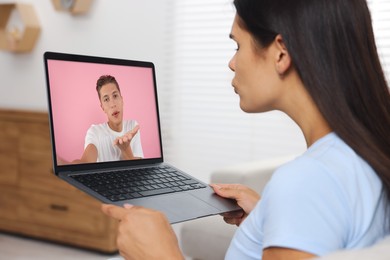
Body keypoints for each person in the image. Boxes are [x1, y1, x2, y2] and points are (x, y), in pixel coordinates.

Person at [101, 0, 390, 259]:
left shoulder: (306, 182)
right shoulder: (364, 153)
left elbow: (312, 194)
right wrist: (269, 215)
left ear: (280, 53)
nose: (231, 62)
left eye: (237, 45)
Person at [59, 75, 143, 164]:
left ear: (122, 100)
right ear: (102, 107)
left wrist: (125, 149)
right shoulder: (95, 132)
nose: (112, 104)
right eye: (106, 99)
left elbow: (139, 171)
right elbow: (86, 162)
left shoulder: (132, 127)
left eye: (115, 96)